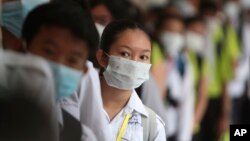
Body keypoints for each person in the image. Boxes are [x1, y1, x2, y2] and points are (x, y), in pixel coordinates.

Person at [21, 2, 109, 140]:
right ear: (24, 48)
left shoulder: (81, 137)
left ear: (83, 71)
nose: (58, 65)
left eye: (72, 60)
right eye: (49, 51)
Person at [96, 19, 166, 141]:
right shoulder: (74, 107)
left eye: (143, 57)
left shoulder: (152, 126)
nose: (134, 63)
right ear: (102, 58)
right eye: (125, 54)